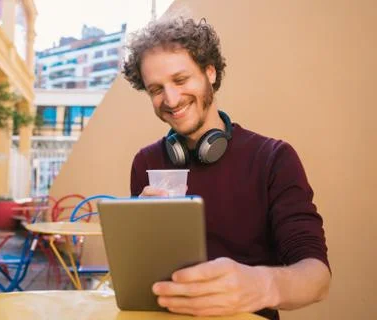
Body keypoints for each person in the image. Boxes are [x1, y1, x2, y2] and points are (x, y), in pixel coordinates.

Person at [122, 17, 331, 320]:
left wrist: (261, 284)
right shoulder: (146, 162)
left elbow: (317, 277)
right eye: (156, 89)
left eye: (180, 80)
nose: (170, 99)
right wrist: (141, 237)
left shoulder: (273, 158)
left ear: (210, 72)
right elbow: (143, 274)